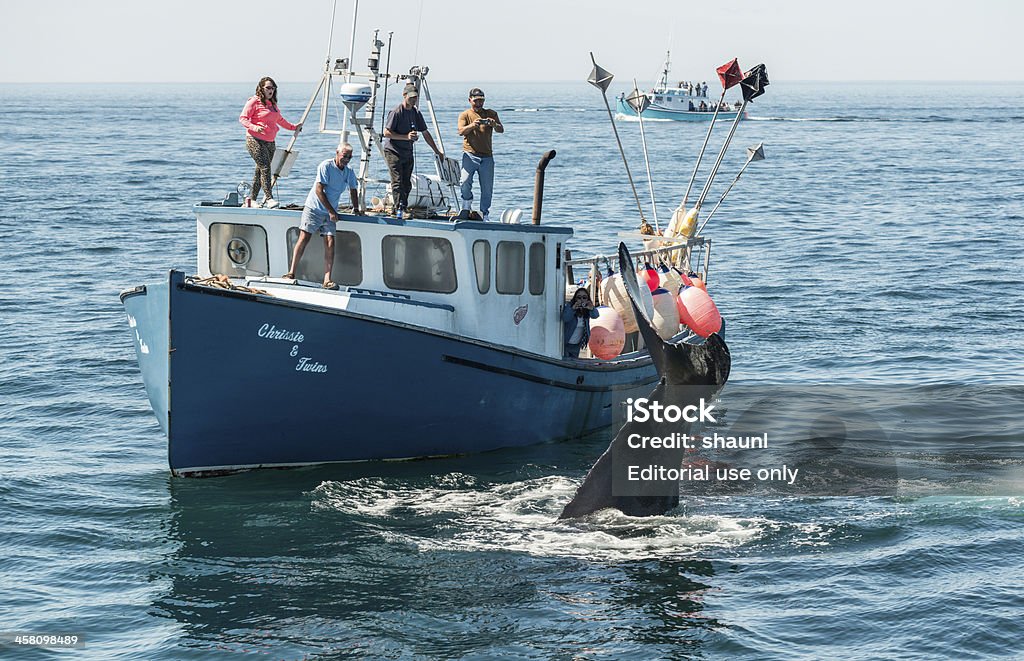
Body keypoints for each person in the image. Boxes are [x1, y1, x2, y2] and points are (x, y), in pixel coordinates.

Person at [283, 144, 364, 290]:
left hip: (329, 211)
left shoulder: (349, 172)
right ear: (337, 153)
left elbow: (353, 189)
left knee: (330, 242)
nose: (346, 159)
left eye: (349, 157)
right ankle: (291, 273)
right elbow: (319, 190)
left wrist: (356, 208)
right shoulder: (325, 166)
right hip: (314, 208)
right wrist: (332, 211)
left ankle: (327, 279)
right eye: (344, 156)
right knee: (304, 237)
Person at [239, 76, 302, 208]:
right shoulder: (253, 101)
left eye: (273, 88)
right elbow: (243, 119)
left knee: (259, 171)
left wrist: (293, 127)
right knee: (266, 168)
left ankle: (251, 201)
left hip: (270, 142)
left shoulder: (272, 105)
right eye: (268, 87)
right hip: (254, 140)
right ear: (261, 88)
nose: (271, 90)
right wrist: (255, 127)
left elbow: (280, 120)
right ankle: (269, 198)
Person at [382, 83, 443, 219]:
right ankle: (399, 209)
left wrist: (437, 151)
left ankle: (401, 206)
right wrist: (406, 137)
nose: (413, 100)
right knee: (397, 181)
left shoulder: (415, 112)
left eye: (415, 97)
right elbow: (386, 133)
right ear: (404, 96)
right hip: (393, 151)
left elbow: (425, 132)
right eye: (411, 97)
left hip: (407, 151)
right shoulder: (396, 112)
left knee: (407, 182)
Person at [456, 87, 504, 221]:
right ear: (470, 100)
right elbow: (460, 131)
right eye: (476, 101)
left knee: (487, 188)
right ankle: (466, 204)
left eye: (481, 101)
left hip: (487, 157)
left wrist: (494, 124)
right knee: (464, 182)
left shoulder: (491, 113)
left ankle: (485, 213)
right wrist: (472, 125)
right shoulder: (465, 115)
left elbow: (501, 130)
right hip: (470, 154)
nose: (479, 104)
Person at [562, 288, 600, 359]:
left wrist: (591, 308)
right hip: (566, 344)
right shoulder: (570, 306)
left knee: (574, 363)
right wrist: (573, 309)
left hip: (577, 345)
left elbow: (596, 315)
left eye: (584, 297)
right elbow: (565, 318)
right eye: (579, 297)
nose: (581, 299)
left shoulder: (586, 310)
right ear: (575, 298)